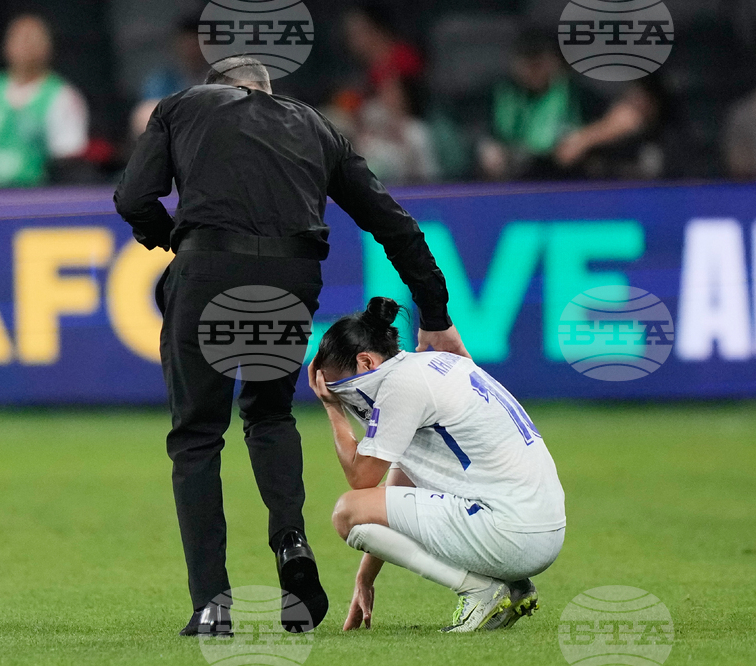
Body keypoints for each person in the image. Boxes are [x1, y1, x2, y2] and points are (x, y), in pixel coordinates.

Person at [113, 56, 468, 637]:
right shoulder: (317, 126)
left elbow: (132, 199)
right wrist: (435, 313)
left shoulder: (182, 107)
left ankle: (212, 603)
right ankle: (291, 543)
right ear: (268, 91)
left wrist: (167, 236)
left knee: (197, 437)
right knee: (270, 414)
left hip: (206, 268)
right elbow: (392, 222)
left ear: (217, 89)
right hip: (290, 277)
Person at [308, 297, 565, 632]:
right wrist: (365, 578)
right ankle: (514, 586)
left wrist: (332, 410)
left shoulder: (401, 386)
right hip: (538, 530)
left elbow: (361, 479)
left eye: (339, 388)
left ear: (367, 362)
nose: (338, 395)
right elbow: (395, 494)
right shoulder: (428, 367)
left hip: (511, 533)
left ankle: (480, 589)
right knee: (362, 508)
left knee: (345, 510)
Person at [0, 15, 88, 188]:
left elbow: (68, 158)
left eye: (32, 39)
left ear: (48, 47)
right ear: (6, 45)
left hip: (39, 195)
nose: (25, 46)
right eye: (19, 38)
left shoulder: (63, 95)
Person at [479, 27, 606, 181]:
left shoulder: (578, 94)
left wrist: (584, 140)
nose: (532, 71)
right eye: (526, 63)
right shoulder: (498, 93)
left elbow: (605, 127)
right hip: (513, 177)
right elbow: (486, 134)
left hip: (567, 177)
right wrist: (488, 148)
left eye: (539, 63)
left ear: (554, 62)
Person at [129, 15, 208, 138]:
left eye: (196, 44)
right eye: (186, 43)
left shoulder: (224, 76)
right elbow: (149, 115)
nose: (192, 50)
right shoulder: (162, 80)